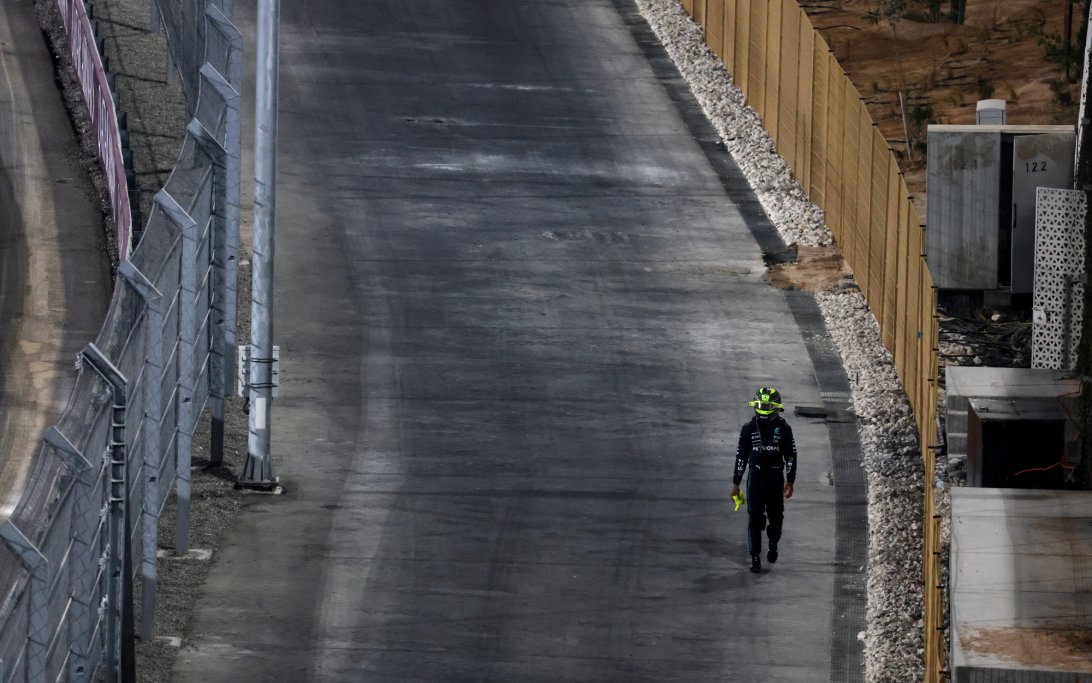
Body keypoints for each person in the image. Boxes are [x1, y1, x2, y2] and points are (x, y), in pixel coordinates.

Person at [730, 387, 797, 573]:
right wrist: (736, 483)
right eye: (760, 405)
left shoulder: (784, 430)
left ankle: (773, 543)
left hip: (775, 481)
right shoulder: (748, 429)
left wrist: (790, 481)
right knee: (754, 518)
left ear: (775, 406)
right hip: (756, 480)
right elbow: (741, 457)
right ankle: (755, 557)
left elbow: (791, 456)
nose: (763, 409)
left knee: (776, 519)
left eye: (766, 405)